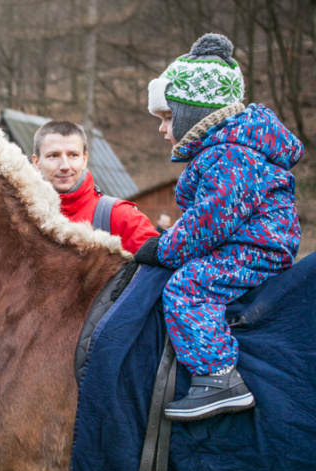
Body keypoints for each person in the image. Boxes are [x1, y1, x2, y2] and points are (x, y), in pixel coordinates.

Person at [139, 33, 302, 421]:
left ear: (194, 116)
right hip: (247, 240)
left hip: (256, 247)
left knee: (188, 288)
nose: (162, 129)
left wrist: (163, 248)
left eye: (167, 118)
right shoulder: (227, 151)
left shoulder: (230, 155)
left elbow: (209, 222)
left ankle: (218, 378)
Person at [32, 120, 158, 254]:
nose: (65, 166)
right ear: (36, 162)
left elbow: (158, 263)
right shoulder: (21, 218)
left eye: (73, 155)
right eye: (53, 156)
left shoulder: (122, 217)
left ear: (84, 159)